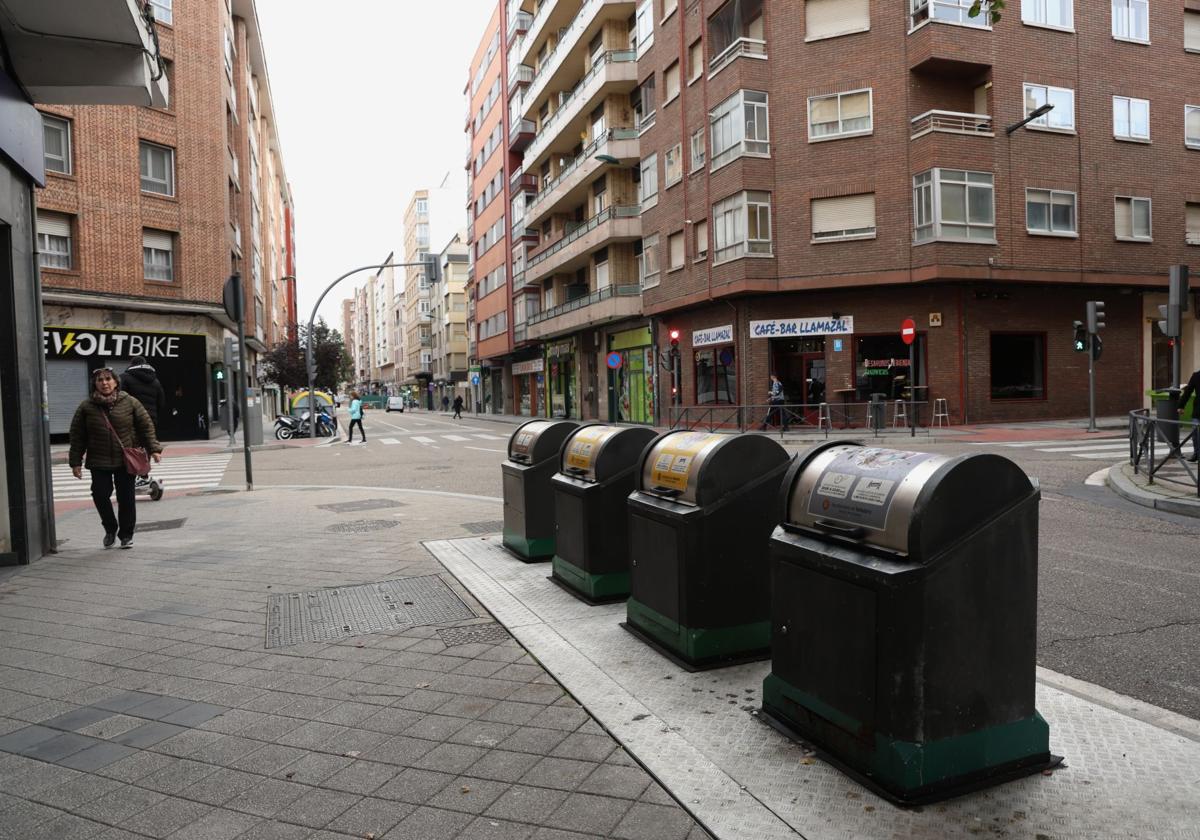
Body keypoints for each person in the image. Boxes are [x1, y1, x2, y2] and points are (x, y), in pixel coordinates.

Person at [69, 367, 162, 549]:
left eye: (108, 379)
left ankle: (126, 535)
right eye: (100, 380)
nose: (104, 383)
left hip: (124, 459)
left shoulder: (130, 402)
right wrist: (75, 462)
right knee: (100, 495)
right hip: (98, 459)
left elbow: (146, 426)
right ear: (95, 384)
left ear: (116, 382)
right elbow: (77, 435)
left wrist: (154, 449)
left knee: (126, 498)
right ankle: (110, 528)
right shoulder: (86, 407)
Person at [119, 355, 165, 484]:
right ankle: (143, 475)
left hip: (131, 420)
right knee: (146, 447)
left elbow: (119, 399)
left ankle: (131, 476)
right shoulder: (155, 381)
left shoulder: (124, 378)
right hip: (150, 419)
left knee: (131, 447)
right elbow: (161, 403)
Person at [1178, 369, 1200, 461]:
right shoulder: (1197, 375)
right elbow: (1188, 392)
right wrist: (1181, 406)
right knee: (1196, 434)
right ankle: (1197, 454)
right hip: (1198, 411)